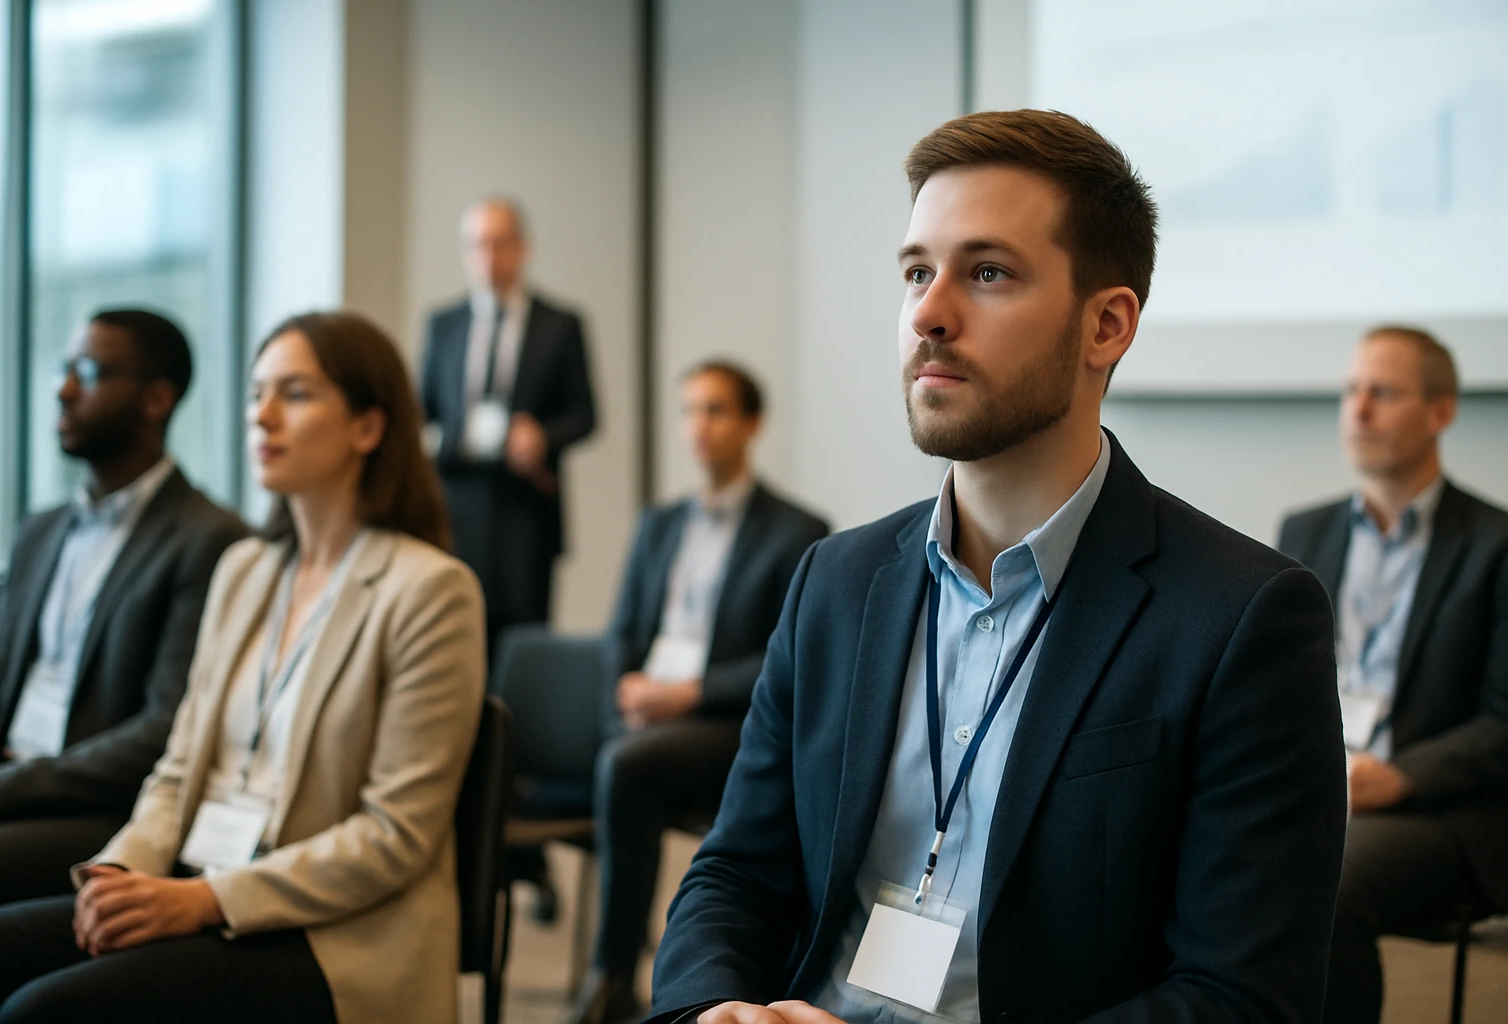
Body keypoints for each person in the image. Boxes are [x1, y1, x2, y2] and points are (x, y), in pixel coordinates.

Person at [648, 110, 1347, 1024]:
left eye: (987, 273)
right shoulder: (835, 582)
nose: (930, 313)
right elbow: (737, 869)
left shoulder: (1241, 618)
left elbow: (1241, 997)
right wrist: (714, 1009)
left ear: (1106, 326)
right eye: (915, 273)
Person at [0, 312, 485, 1024]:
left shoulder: (429, 589)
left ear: (369, 428)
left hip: (333, 935)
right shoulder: (245, 569)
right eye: (255, 394)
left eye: (296, 394)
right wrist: (122, 869)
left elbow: (393, 835)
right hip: (194, 876)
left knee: (45, 1013)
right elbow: (179, 767)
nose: (263, 416)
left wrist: (207, 900)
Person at [571, 362, 829, 1024]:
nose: (698, 427)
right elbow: (623, 632)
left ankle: (612, 978)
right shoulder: (658, 524)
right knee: (623, 757)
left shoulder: (795, 530)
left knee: (625, 767)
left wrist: (687, 694)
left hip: (731, 726)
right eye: (688, 411)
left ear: (751, 424)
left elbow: (785, 660)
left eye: (715, 410)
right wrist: (625, 700)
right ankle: (617, 968)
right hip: (649, 723)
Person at [0, 309, 247, 911]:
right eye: (63, 368)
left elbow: (163, 727)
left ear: (156, 399)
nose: (63, 388)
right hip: (1, 780)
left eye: (89, 372)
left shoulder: (211, 540)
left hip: (97, 809)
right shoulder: (40, 531)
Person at [1277, 327, 1508, 1024]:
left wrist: (1397, 776)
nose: (1360, 410)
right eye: (1352, 391)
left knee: (1327, 882)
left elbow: (1504, 724)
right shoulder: (1306, 532)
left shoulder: (1496, 545)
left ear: (1441, 411)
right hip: (1323, 777)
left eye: (1384, 392)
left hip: (1436, 804)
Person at [421, 196, 597, 658]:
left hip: (527, 509)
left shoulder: (560, 325)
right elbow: (423, 414)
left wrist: (543, 436)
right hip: (459, 507)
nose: (488, 257)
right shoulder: (443, 325)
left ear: (522, 248)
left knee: (523, 646)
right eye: (477, 245)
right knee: (456, 639)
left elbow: (586, 415)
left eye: (499, 244)